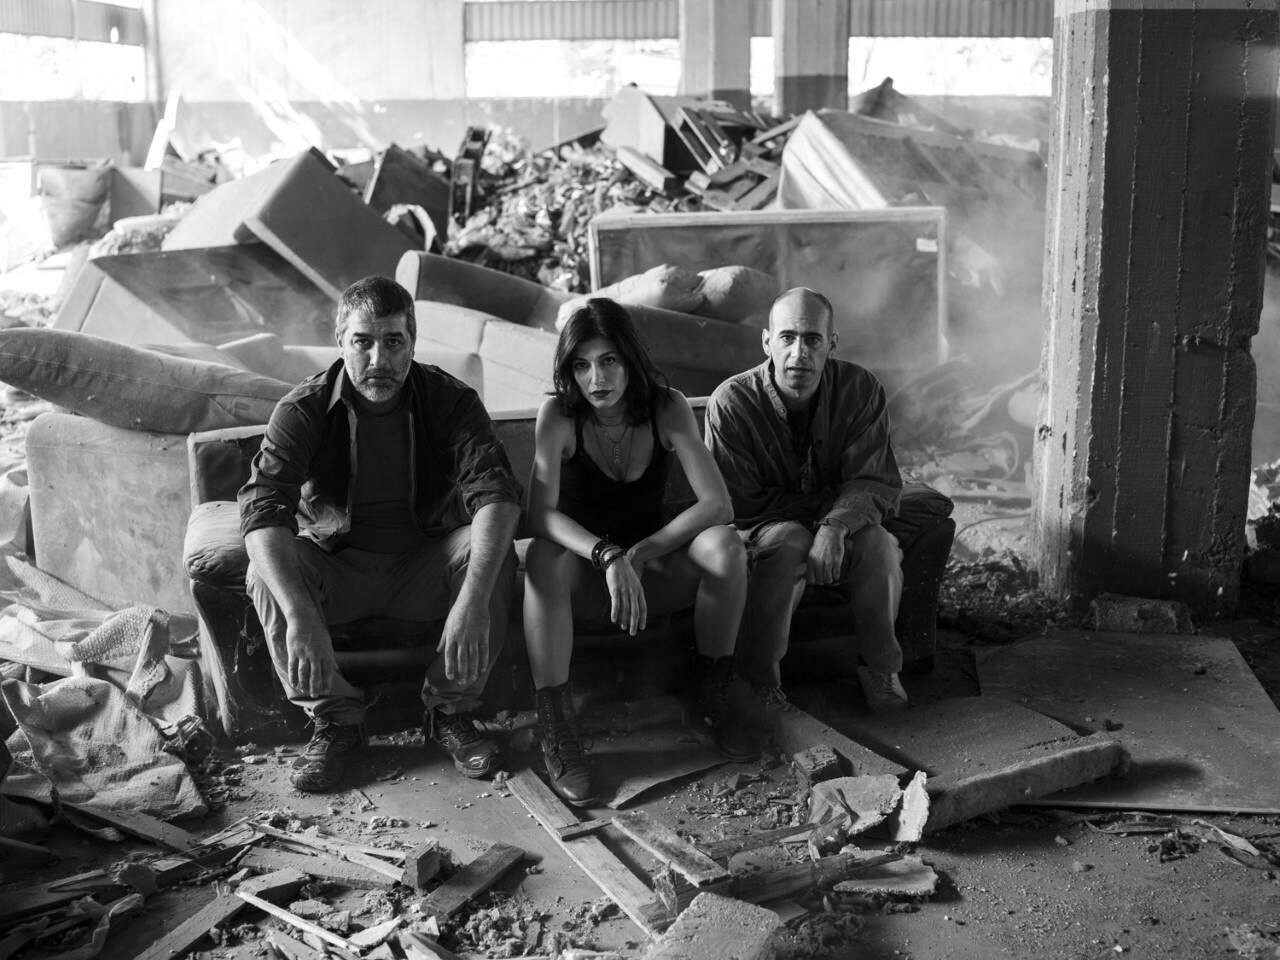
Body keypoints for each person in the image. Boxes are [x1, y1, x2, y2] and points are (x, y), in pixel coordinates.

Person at [238, 276, 521, 793]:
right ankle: (337, 721)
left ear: (412, 342)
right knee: (267, 569)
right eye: (362, 342)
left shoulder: (451, 400)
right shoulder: (303, 409)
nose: (378, 360)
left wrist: (473, 600)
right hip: (338, 569)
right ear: (340, 342)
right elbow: (262, 510)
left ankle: (450, 712)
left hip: (422, 564)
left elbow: (496, 495)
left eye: (393, 342)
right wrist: (300, 615)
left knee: (491, 552)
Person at [522, 297, 757, 806]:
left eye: (608, 360)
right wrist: (608, 556)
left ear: (629, 359)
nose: (596, 378)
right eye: (582, 365)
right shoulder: (558, 415)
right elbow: (539, 514)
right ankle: (556, 727)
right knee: (540, 556)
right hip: (586, 573)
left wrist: (640, 554)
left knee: (726, 547)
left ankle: (711, 695)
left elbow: (717, 504)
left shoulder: (666, 406)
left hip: (651, 568)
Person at [704, 287, 909, 714]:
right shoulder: (732, 402)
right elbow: (741, 502)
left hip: (835, 520)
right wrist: (823, 522)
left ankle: (880, 669)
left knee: (879, 546)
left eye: (813, 339)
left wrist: (835, 526)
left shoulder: (860, 390)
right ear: (767, 342)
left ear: (832, 343)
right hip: (763, 526)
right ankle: (759, 684)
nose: (799, 353)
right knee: (789, 543)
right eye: (788, 338)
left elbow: (873, 478)